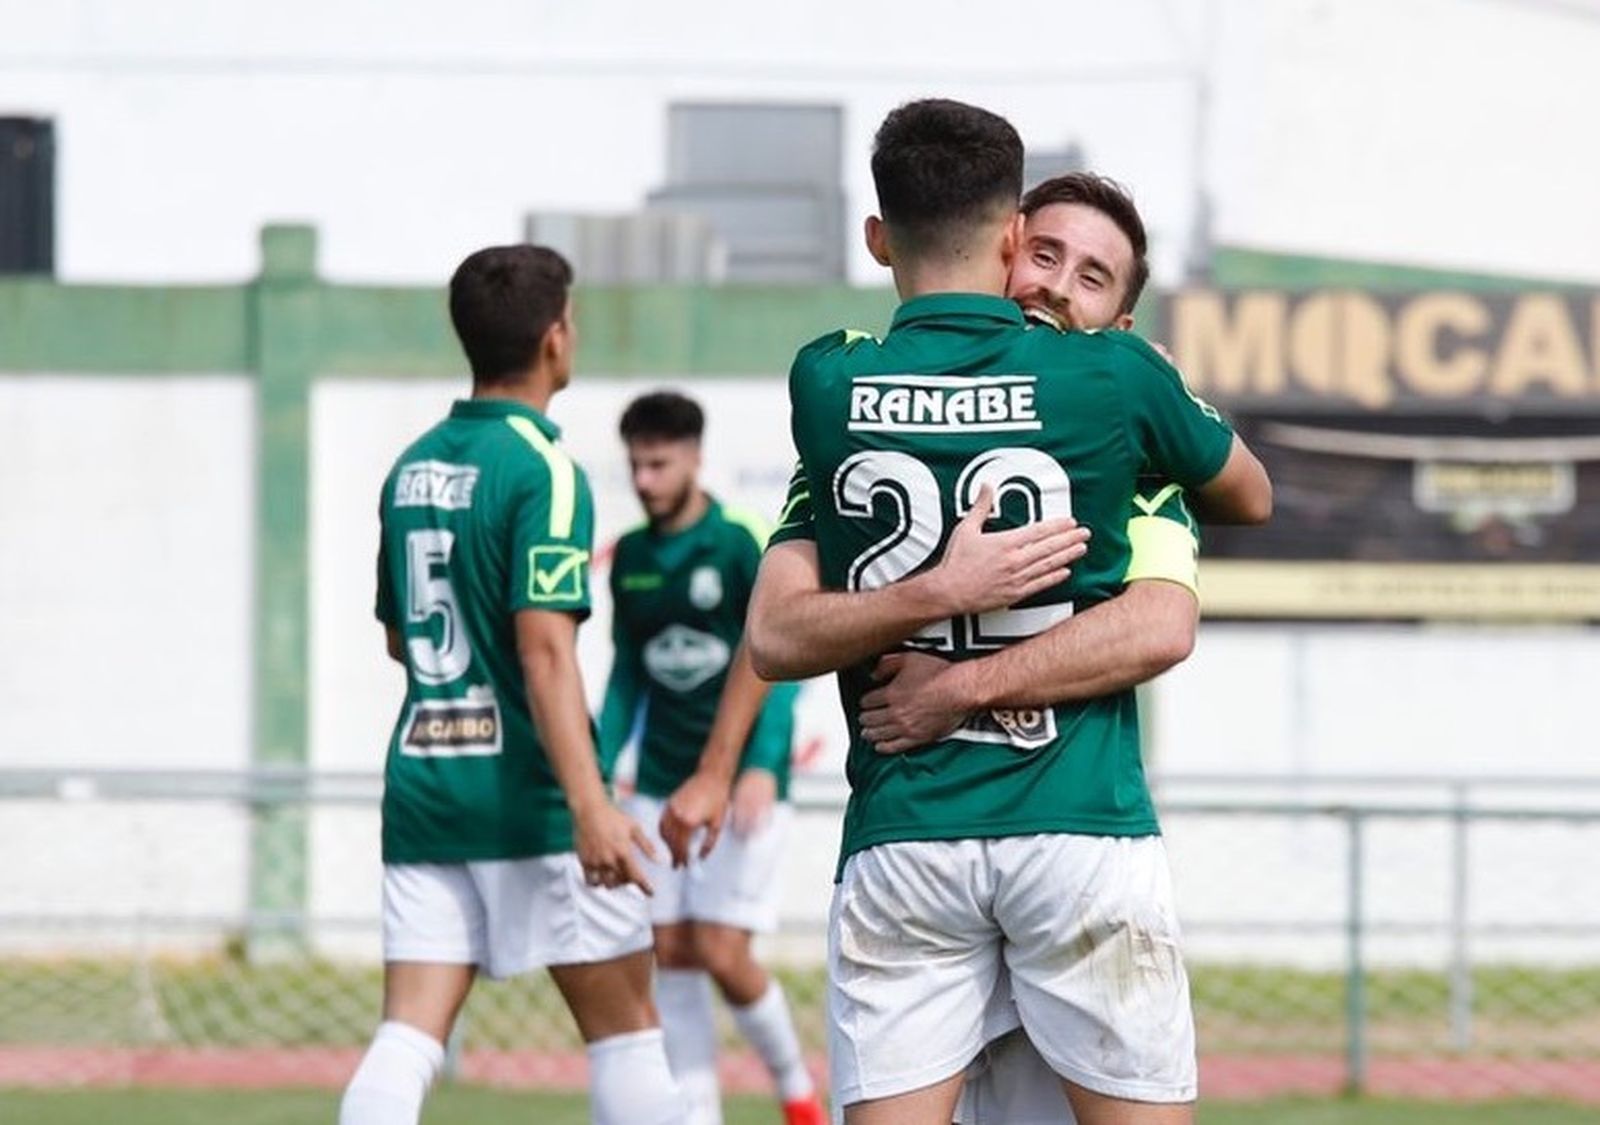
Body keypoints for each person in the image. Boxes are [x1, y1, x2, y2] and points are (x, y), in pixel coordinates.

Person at [746, 100, 1270, 1125]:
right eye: (1045, 254)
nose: (1056, 288)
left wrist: (955, 684)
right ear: (1004, 245)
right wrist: (939, 590)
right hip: (1052, 843)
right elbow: (1249, 493)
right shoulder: (1119, 395)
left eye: (1092, 277)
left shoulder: (832, 382)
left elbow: (1162, 623)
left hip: (942, 831)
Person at [340, 245, 686, 1125]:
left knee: (409, 1035)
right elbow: (544, 651)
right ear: (554, 337)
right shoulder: (546, 469)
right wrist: (590, 805)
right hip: (533, 798)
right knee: (626, 1029)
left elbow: (399, 637)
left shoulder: (410, 468)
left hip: (425, 789)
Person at [597, 390, 826, 1125]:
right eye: (635, 464)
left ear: (695, 457)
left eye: (659, 463)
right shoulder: (629, 557)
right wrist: (600, 770)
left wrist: (760, 763)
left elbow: (776, 655)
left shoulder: (737, 542)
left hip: (741, 785)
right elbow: (628, 671)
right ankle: (695, 1113)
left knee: (723, 949)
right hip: (657, 786)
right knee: (669, 948)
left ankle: (796, 1090)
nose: (645, 479)